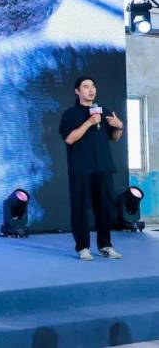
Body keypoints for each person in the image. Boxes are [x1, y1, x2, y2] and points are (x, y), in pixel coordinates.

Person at [59, 76, 124, 261]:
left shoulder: (104, 111)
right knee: (80, 209)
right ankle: (83, 248)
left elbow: (114, 138)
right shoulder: (70, 114)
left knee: (104, 208)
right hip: (81, 169)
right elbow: (69, 139)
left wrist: (119, 127)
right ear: (77, 91)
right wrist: (89, 122)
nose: (91, 90)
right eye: (86, 87)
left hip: (103, 167)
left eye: (93, 86)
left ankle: (105, 246)